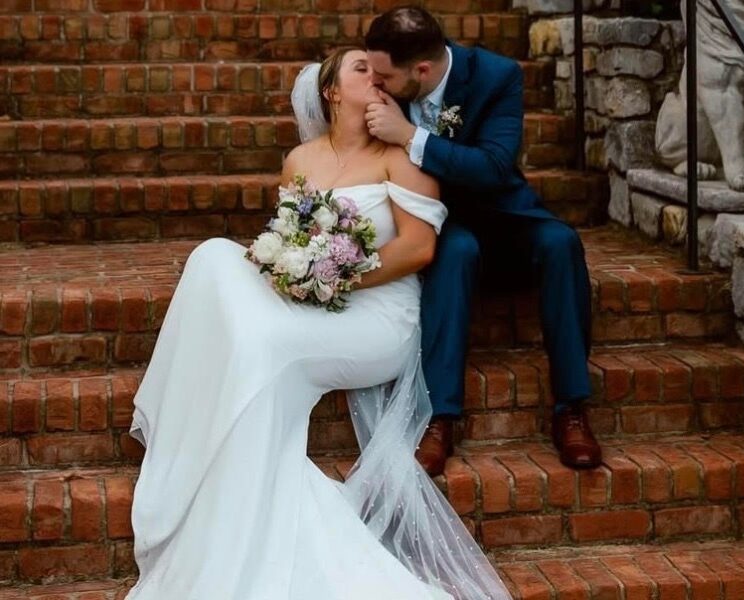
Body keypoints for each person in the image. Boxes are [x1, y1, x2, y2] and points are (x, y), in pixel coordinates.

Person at [126, 47, 511, 599]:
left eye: (380, 73)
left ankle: (214, 448)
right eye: (360, 69)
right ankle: (195, 442)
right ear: (331, 92)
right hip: (315, 299)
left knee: (261, 345)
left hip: (379, 316)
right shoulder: (299, 161)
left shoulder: (398, 157)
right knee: (212, 256)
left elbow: (419, 250)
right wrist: (297, 271)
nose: (376, 77)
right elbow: (291, 241)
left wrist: (339, 279)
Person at [363, 7, 602, 474]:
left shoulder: (497, 77)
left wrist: (411, 136)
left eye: (385, 74)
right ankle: (440, 418)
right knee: (457, 249)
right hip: (440, 226)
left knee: (561, 243)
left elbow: (493, 168)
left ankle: (571, 408)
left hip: (503, 214)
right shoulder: (386, 84)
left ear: (423, 71)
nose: (375, 82)